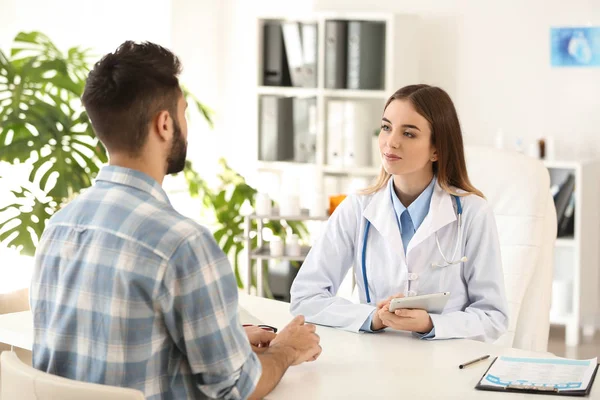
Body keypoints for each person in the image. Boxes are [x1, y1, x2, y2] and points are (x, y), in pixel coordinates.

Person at [30, 41, 321, 400]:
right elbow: (236, 389)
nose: (186, 123)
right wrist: (286, 349)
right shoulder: (182, 243)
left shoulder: (59, 227)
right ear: (165, 124)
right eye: (184, 112)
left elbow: (110, 349)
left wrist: (223, 339)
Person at [290, 84, 508, 342]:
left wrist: (431, 323)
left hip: (446, 363)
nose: (391, 142)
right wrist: (373, 318)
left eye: (409, 133)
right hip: (375, 359)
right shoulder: (357, 208)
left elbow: (494, 317)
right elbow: (305, 298)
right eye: (386, 127)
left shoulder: (472, 213)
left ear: (436, 150)